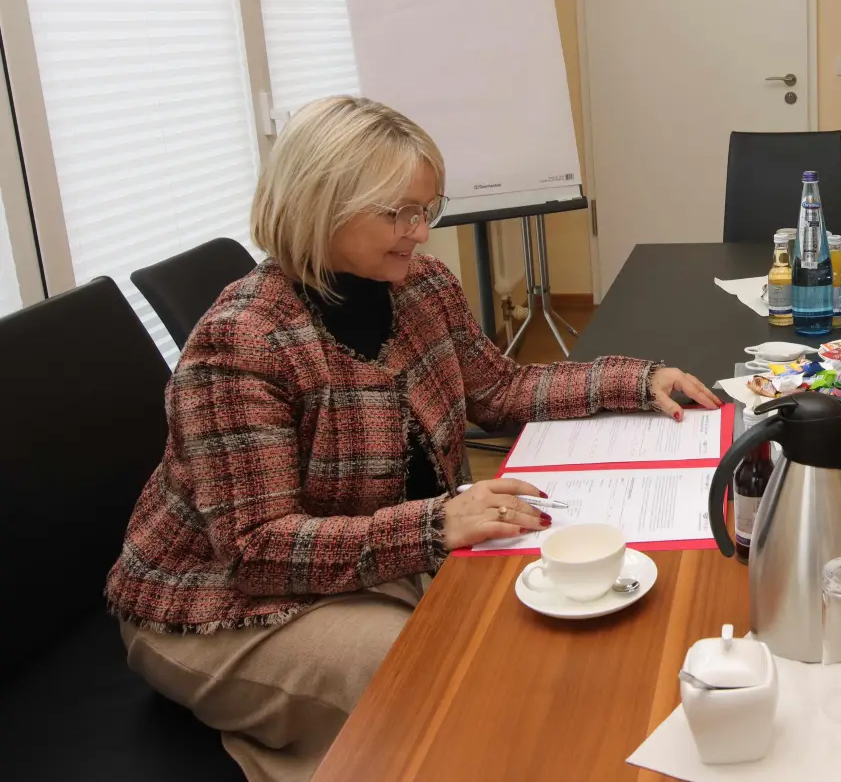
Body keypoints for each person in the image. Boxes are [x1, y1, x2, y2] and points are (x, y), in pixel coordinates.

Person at [105, 96, 721, 781]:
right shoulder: (243, 342)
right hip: (223, 608)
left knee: (532, 631)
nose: (421, 232)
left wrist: (637, 381)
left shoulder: (419, 284)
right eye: (397, 213)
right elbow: (256, 550)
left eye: (427, 209)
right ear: (321, 205)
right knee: (436, 679)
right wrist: (436, 525)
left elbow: (499, 390)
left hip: (369, 560)